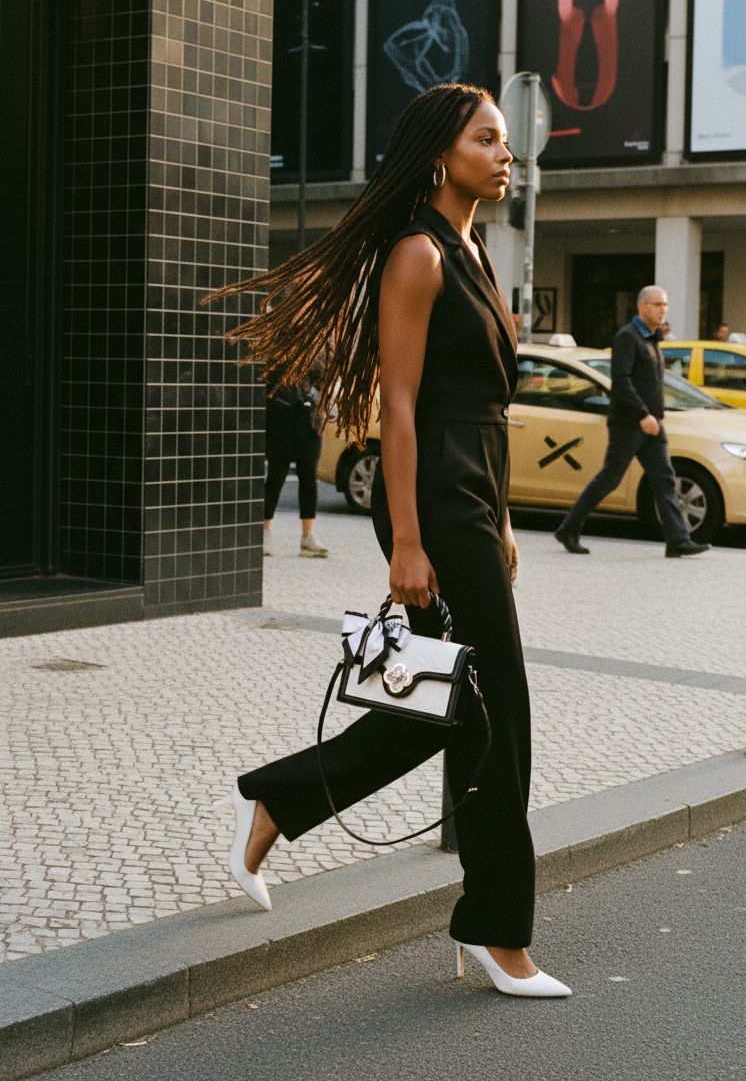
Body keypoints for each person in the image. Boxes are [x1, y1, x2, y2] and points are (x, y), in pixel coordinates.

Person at [203, 83, 571, 998]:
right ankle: (496, 932)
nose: (503, 152)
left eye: (505, 141)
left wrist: (506, 515)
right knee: (501, 714)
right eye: (487, 138)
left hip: (472, 491)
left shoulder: (473, 248)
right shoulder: (418, 253)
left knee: (456, 707)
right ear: (441, 155)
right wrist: (409, 539)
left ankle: (278, 803)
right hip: (435, 497)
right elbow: (398, 404)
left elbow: (485, 408)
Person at [554, 286, 711, 558]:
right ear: (641, 307)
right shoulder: (628, 337)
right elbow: (622, 382)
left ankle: (678, 540)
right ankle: (569, 529)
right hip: (630, 424)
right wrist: (643, 415)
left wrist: (654, 417)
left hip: (652, 425)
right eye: (657, 304)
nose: (663, 310)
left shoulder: (652, 339)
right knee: (610, 479)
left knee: (665, 480)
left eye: (665, 305)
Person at [263, 360, 328, 559]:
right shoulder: (279, 347)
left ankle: (307, 536)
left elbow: (324, 379)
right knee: (275, 477)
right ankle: (264, 531)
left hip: (309, 422)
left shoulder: (318, 349)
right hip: (281, 420)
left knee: (309, 479)